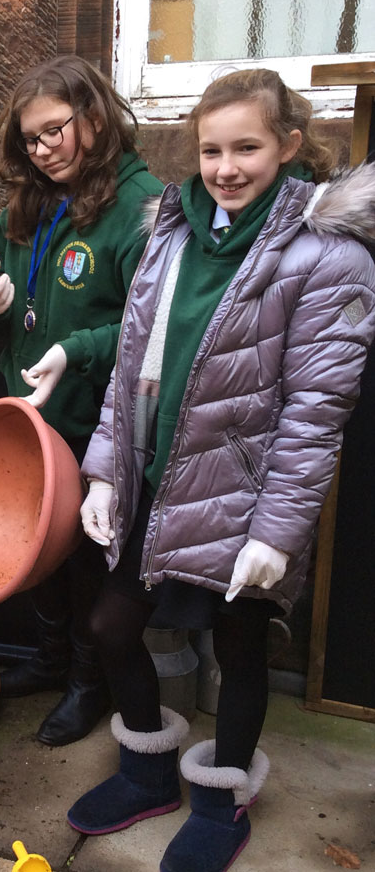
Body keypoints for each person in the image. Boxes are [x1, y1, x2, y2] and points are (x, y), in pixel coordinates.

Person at [68, 68, 375, 872]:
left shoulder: (329, 257)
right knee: (111, 625)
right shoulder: (172, 235)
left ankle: (222, 802)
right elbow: (132, 366)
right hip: (155, 482)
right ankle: (146, 774)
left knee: (240, 652)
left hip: (246, 497)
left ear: (289, 146)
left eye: (247, 148)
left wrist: (278, 533)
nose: (226, 168)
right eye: (211, 150)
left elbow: (315, 413)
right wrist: (104, 472)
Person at [0, 55, 163, 745]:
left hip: (94, 423)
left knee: (83, 559)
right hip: (27, 416)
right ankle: (50, 660)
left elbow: (148, 331)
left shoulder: (141, 209)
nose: (43, 150)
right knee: (35, 545)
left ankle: (87, 682)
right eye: (30, 139)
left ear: (96, 119)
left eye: (55, 131)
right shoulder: (28, 202)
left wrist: (75, 350)